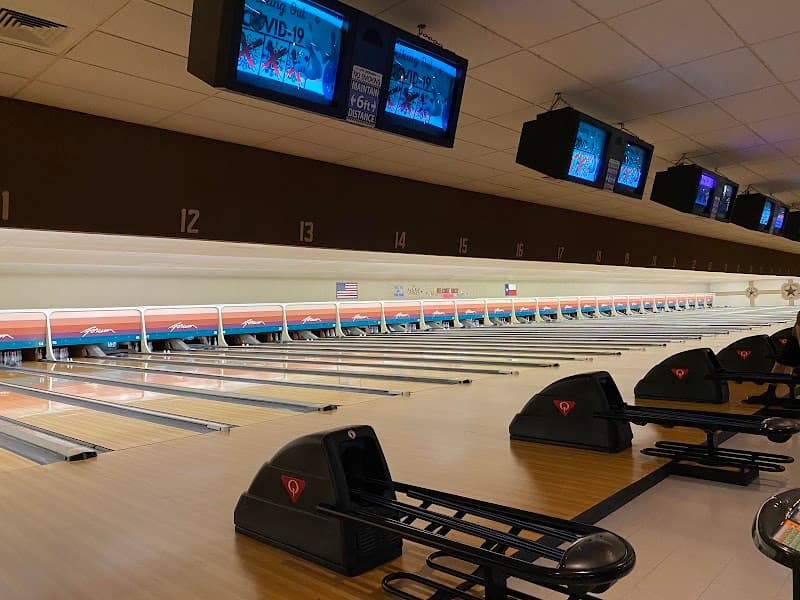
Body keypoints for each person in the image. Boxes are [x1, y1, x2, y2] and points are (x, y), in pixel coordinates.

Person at [759, 312, 800, 401]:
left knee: (780, 367)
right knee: (779, 367)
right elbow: (799, 327)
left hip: (795, 344)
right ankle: (770, 392)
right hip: (794, 344)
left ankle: (771, 391)